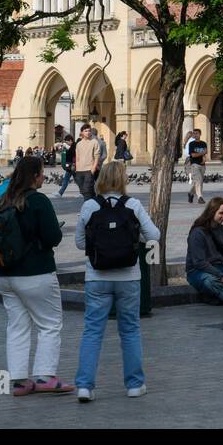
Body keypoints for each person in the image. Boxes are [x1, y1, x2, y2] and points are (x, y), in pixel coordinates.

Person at [73, 160, 159, 401]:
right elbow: (154, 235)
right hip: (128, 277)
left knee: (92, 332)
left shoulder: (89, 206)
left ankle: (85, 386)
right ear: (123, 179)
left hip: (96, 277)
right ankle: (134, 384)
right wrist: (133, 240)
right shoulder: (133, 204)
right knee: (130, 331)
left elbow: (80, 243)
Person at [0, 156, 72, 394]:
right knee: (49, 324)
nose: (44, 176)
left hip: (4, 274)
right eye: (42, 172)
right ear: (35, 175)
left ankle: (18, 380)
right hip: (35, 273)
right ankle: (45, 376)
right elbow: (52, 237)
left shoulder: (3, 199)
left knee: (17, 327)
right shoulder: (38, 201)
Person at [185, 197, 223, 304]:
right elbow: (199, 262)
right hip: (198, 271)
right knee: (210, 282)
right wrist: (222, 276)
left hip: (219, 267)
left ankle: (219, 297)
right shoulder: (198, 233)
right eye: (221, 213)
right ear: (212, 212)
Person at [73, 124, 100, 200]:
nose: (88, 132)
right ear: (82, 132)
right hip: (79, 171)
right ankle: (96, 204)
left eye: (89, 131)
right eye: (85, 131)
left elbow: (97, 156)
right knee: (85, 191)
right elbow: (77, 158)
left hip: (89, 170)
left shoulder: (94, 142)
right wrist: (77, 170)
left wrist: (93, 169)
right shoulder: (79, 144)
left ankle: (87, 208)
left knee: (87, 191)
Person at [186, 129, 207, 204]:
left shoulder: (203, 143)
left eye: (197, 133)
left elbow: (205, 153)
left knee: (198, 182)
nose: (195, 135)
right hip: (194, 164)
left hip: (202, 165)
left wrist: (204, 159)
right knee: (199, 181)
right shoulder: (191, 144)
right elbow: (193, 155)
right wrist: (202, 153)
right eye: (194, 133)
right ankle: (200, 197)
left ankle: (191, 193)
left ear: (200, 134)